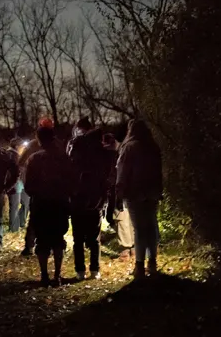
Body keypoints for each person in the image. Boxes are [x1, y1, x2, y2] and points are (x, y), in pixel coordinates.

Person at [24, 125, 78, 287]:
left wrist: (37, 192)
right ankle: (57, 275)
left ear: (39, 140)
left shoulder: (34, 159)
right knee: (57, 239)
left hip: (40, 204)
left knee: (42, 240)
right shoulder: (64, 158)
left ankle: (44, 275)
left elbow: (28, 186)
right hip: (60, 203)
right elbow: (72, 182)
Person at [66, 117, 115, 280]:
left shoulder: (75, 148)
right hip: (96, 198)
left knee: (78, 237)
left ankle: (80, 270)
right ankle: (95, 269)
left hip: (77, 197)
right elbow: (108, 175)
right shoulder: (103, 152)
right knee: (94, 237)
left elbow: (69, 172)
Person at [116, 119, 163, 279]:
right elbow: (159, 171)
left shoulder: (129, 147)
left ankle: (140, 265)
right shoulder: (153, 147)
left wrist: (119, 191)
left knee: (140, 229)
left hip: (135, 193)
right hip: (152, 192)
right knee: (151, 226)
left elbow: (122, 170)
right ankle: (152, 262)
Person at [16, 117, 55, 256]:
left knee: (34, 218)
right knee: (50, 218)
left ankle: (30, 246)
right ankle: (48, 245)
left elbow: (20, 162)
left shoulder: (32, 145)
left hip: (37, 188)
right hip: (52, 188)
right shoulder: (57, 145)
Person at [103, 133, 135, 261]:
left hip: (121, 189)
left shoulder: (119, 154)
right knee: (130, 217)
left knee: (120, 217)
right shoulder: (128, 149)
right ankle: (134, 248)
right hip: (131, 189)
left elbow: (116, 173)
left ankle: (125, 250)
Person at [6, 139, 26, 232]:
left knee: (25, 203)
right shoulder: (11, 155)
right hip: (14, 184)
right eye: (22, 146)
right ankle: (14, 228)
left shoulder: (16, 155)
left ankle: (20, 223)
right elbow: (14, 171)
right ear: (17, 146)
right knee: (14, 205)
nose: (24, 148)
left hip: (20, 183)